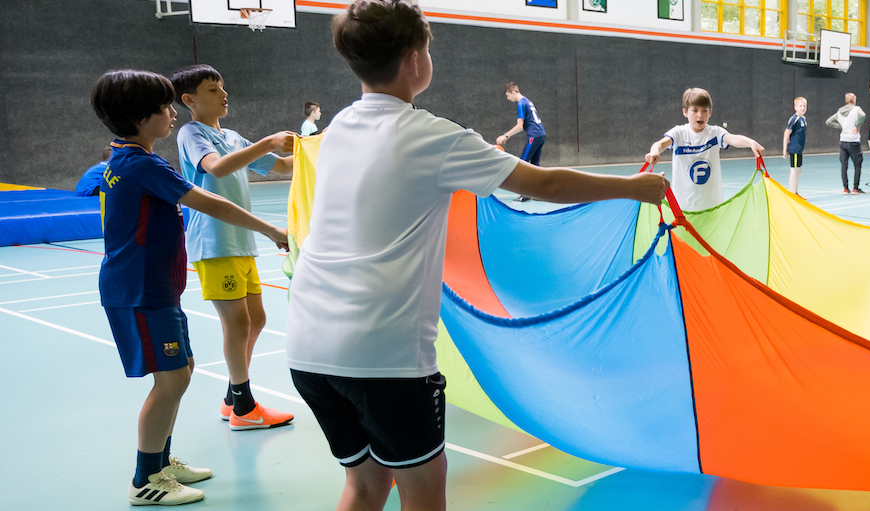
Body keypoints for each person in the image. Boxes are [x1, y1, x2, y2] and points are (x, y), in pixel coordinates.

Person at [289, 3, 669, 510]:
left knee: (366, 485)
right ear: (413, 59)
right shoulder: (432, 135)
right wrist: (631, 188)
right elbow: (545, 183)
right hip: (384, 356)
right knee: (424, 496)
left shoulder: (338, 128)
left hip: (309, 344)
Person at [91, 69, 290, 506]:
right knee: (172, 379)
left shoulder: (127, 157)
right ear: (141, 116)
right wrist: (271, 229)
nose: (170, 113)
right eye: (164, 107)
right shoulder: (141, 164)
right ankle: (146, 478)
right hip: (140, 288)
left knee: (180, 371)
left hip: (155, 285)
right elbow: (210, 199)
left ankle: (159, 462)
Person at [171, 64, 298, 432]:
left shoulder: (236, 138)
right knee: (238, 323)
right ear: (189, 99)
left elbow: (282, 165)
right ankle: (243, 407)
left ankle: (232, 398)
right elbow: (217, 168)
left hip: (241, 242)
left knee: (256, 320)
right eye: (213, 89)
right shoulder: (191, 133)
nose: (224, 94)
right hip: (213, 241)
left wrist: (322, 144)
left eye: (223, 86)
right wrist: (268, 141)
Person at [644, 88, 765, 211]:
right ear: (685, 112)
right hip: (683, 208)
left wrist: (751, 143)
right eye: (695, 110)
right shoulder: (678, 133)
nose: (700, 115)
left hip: (712, 206)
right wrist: (654, 152)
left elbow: (733, 139)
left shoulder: (715, 133)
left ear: (710, 112)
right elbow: (660, 144)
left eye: (704, 111)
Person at [497, 82, 548, 202]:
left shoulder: (521, 103)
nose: (508, 99)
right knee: (535, 165)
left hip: (534, 136)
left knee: (523, 164)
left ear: (514, 92)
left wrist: (505, 135)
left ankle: (525, 194)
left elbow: (520, 126)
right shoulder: (528, 101)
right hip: (541, 134)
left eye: (508, 95)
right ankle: (539, 193)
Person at [825, 93, 867, 194]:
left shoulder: (839, 112)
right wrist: (857, 125)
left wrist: (841, 126)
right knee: (857, 165)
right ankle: (855, 188)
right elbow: (863, 115)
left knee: (844, 165)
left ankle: (845, 188)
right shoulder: (856, 109)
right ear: (853, 100)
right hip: (853, 141)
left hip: (843, 141)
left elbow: (828, 121)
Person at [783, 97, 808, 194]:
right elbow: (786, 134)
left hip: (799, 149)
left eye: (804, 106)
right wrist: (784, 150)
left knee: (798, 170)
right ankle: (793, 194)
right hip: (794, 149)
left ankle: (796, 192)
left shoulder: (803, 119)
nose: (803, 108)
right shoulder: (794, 119)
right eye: (800, 106)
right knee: (794, 170)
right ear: (795, 107)